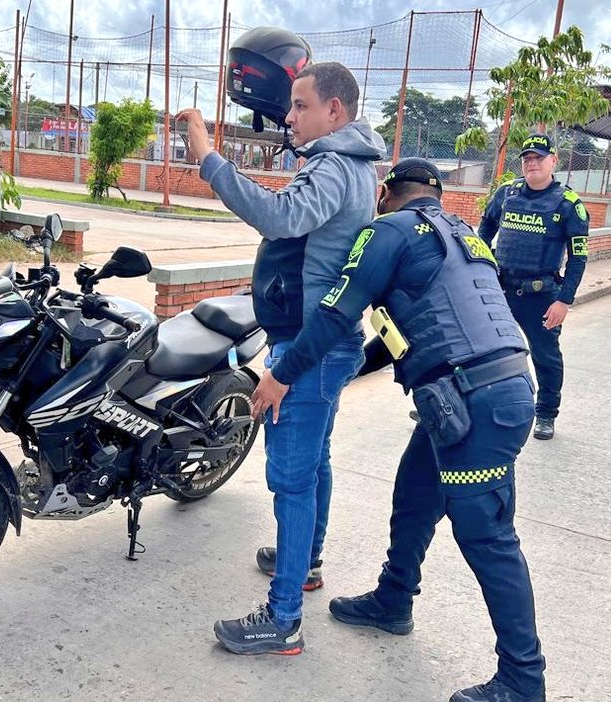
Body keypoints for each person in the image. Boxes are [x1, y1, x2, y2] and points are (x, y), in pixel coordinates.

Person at [253, 158, 546, 702]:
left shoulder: (386, 231)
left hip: (472, 403)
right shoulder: (461, 232)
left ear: (385, 193)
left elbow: (337, 313)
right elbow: (408, 327)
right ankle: (394, 599)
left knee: (488, 537)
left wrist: (282, 376)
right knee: (414, 496)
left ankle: (523, 679)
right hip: (488, 389)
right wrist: (344, 372)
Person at [175, 59, 385, 655]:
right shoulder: (344, 163)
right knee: (313, 462)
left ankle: (284, 617)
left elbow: (277, 215)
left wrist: (209, 158)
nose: (289, 117)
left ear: (334, 111)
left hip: (311, 347)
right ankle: (308, 560)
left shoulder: (337, 167)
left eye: (300, 106)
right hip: (323, 336)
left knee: (291, 479)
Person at [478, 133, 589, 440]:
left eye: (539, 158)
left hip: (541, 296)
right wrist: (482, 264)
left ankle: (546, 414)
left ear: (554, 161)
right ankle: (454, 402)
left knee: (545, 357)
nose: (532, 164)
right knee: (474, 345)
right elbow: (485, 229)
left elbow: (578, 258)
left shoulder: (568, 203)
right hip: (500, 288)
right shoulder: (506, 193)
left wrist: (564, 301)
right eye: (527, 159)